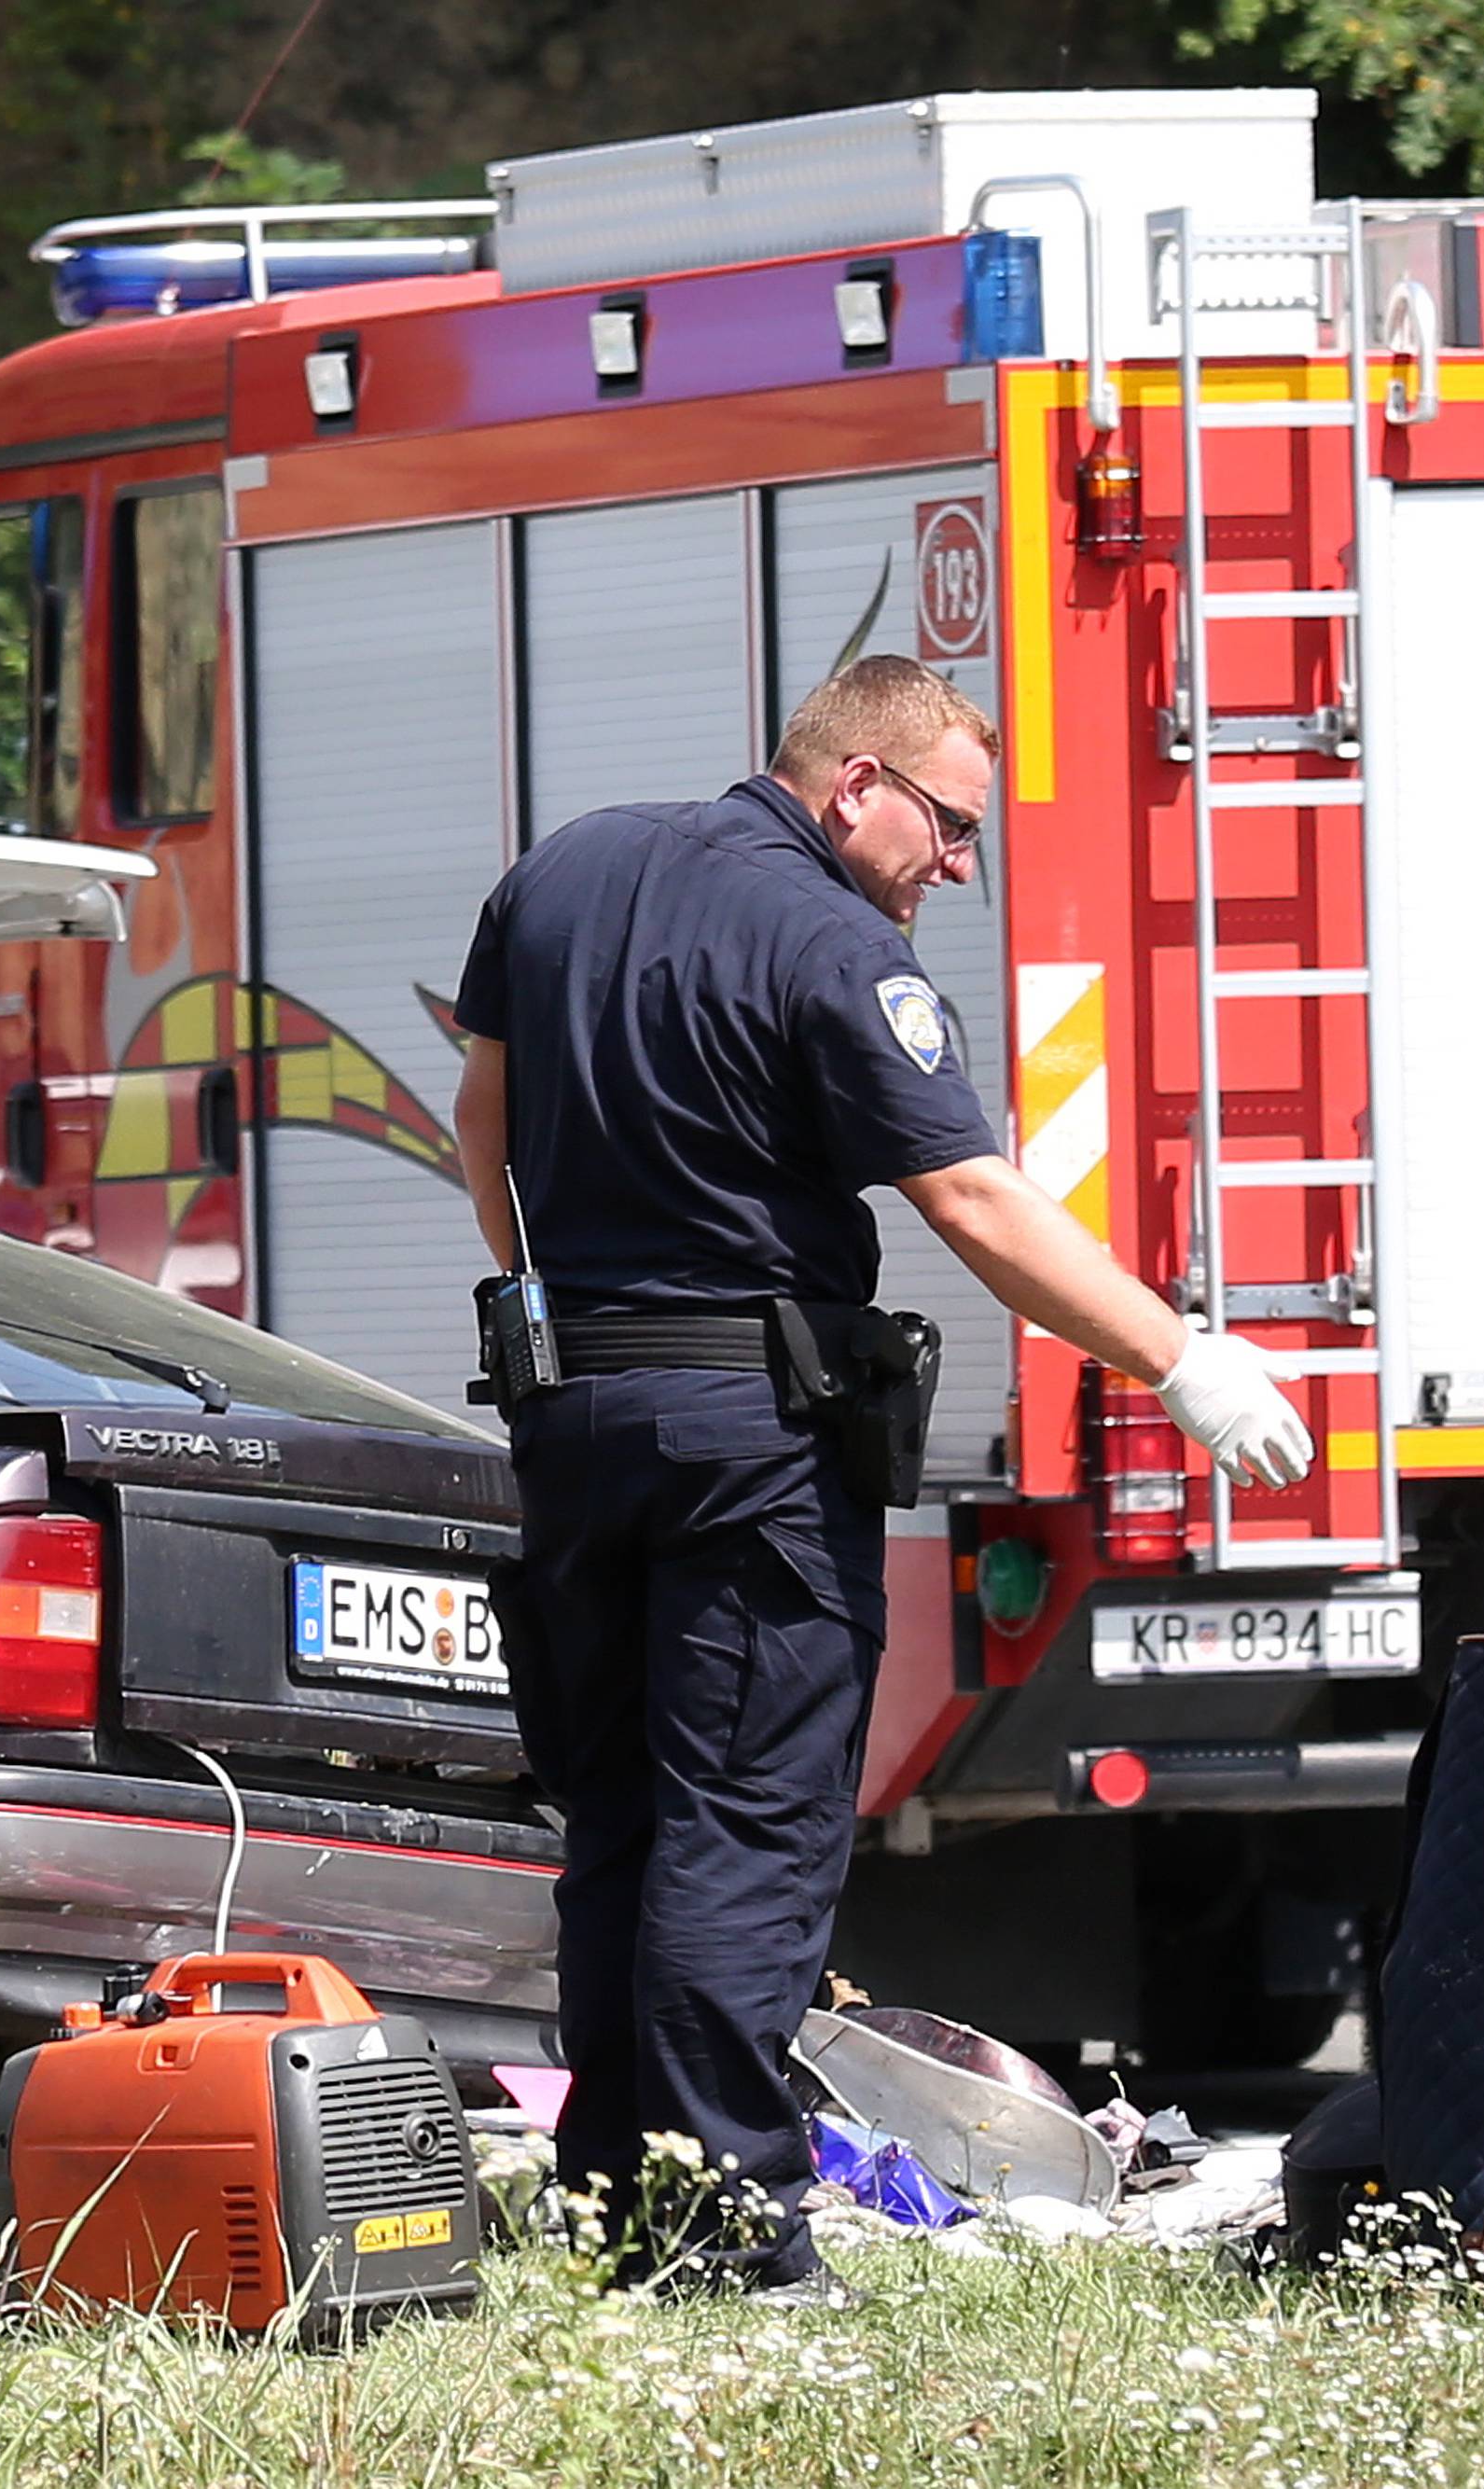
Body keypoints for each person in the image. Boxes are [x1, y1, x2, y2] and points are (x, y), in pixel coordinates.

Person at [451, 654, 1311, 2301]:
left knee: (623, 1823)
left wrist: (546, 1303)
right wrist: (1181, 1360)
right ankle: (731, 2239)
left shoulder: (559, 869)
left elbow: (481, 1117)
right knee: (747, 1835)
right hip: (749, 1453)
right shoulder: (833, 943)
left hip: (571, 1425)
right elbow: (976, 1205)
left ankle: (628, 2204)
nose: (960, 866)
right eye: (952, 827)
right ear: (857, 784)